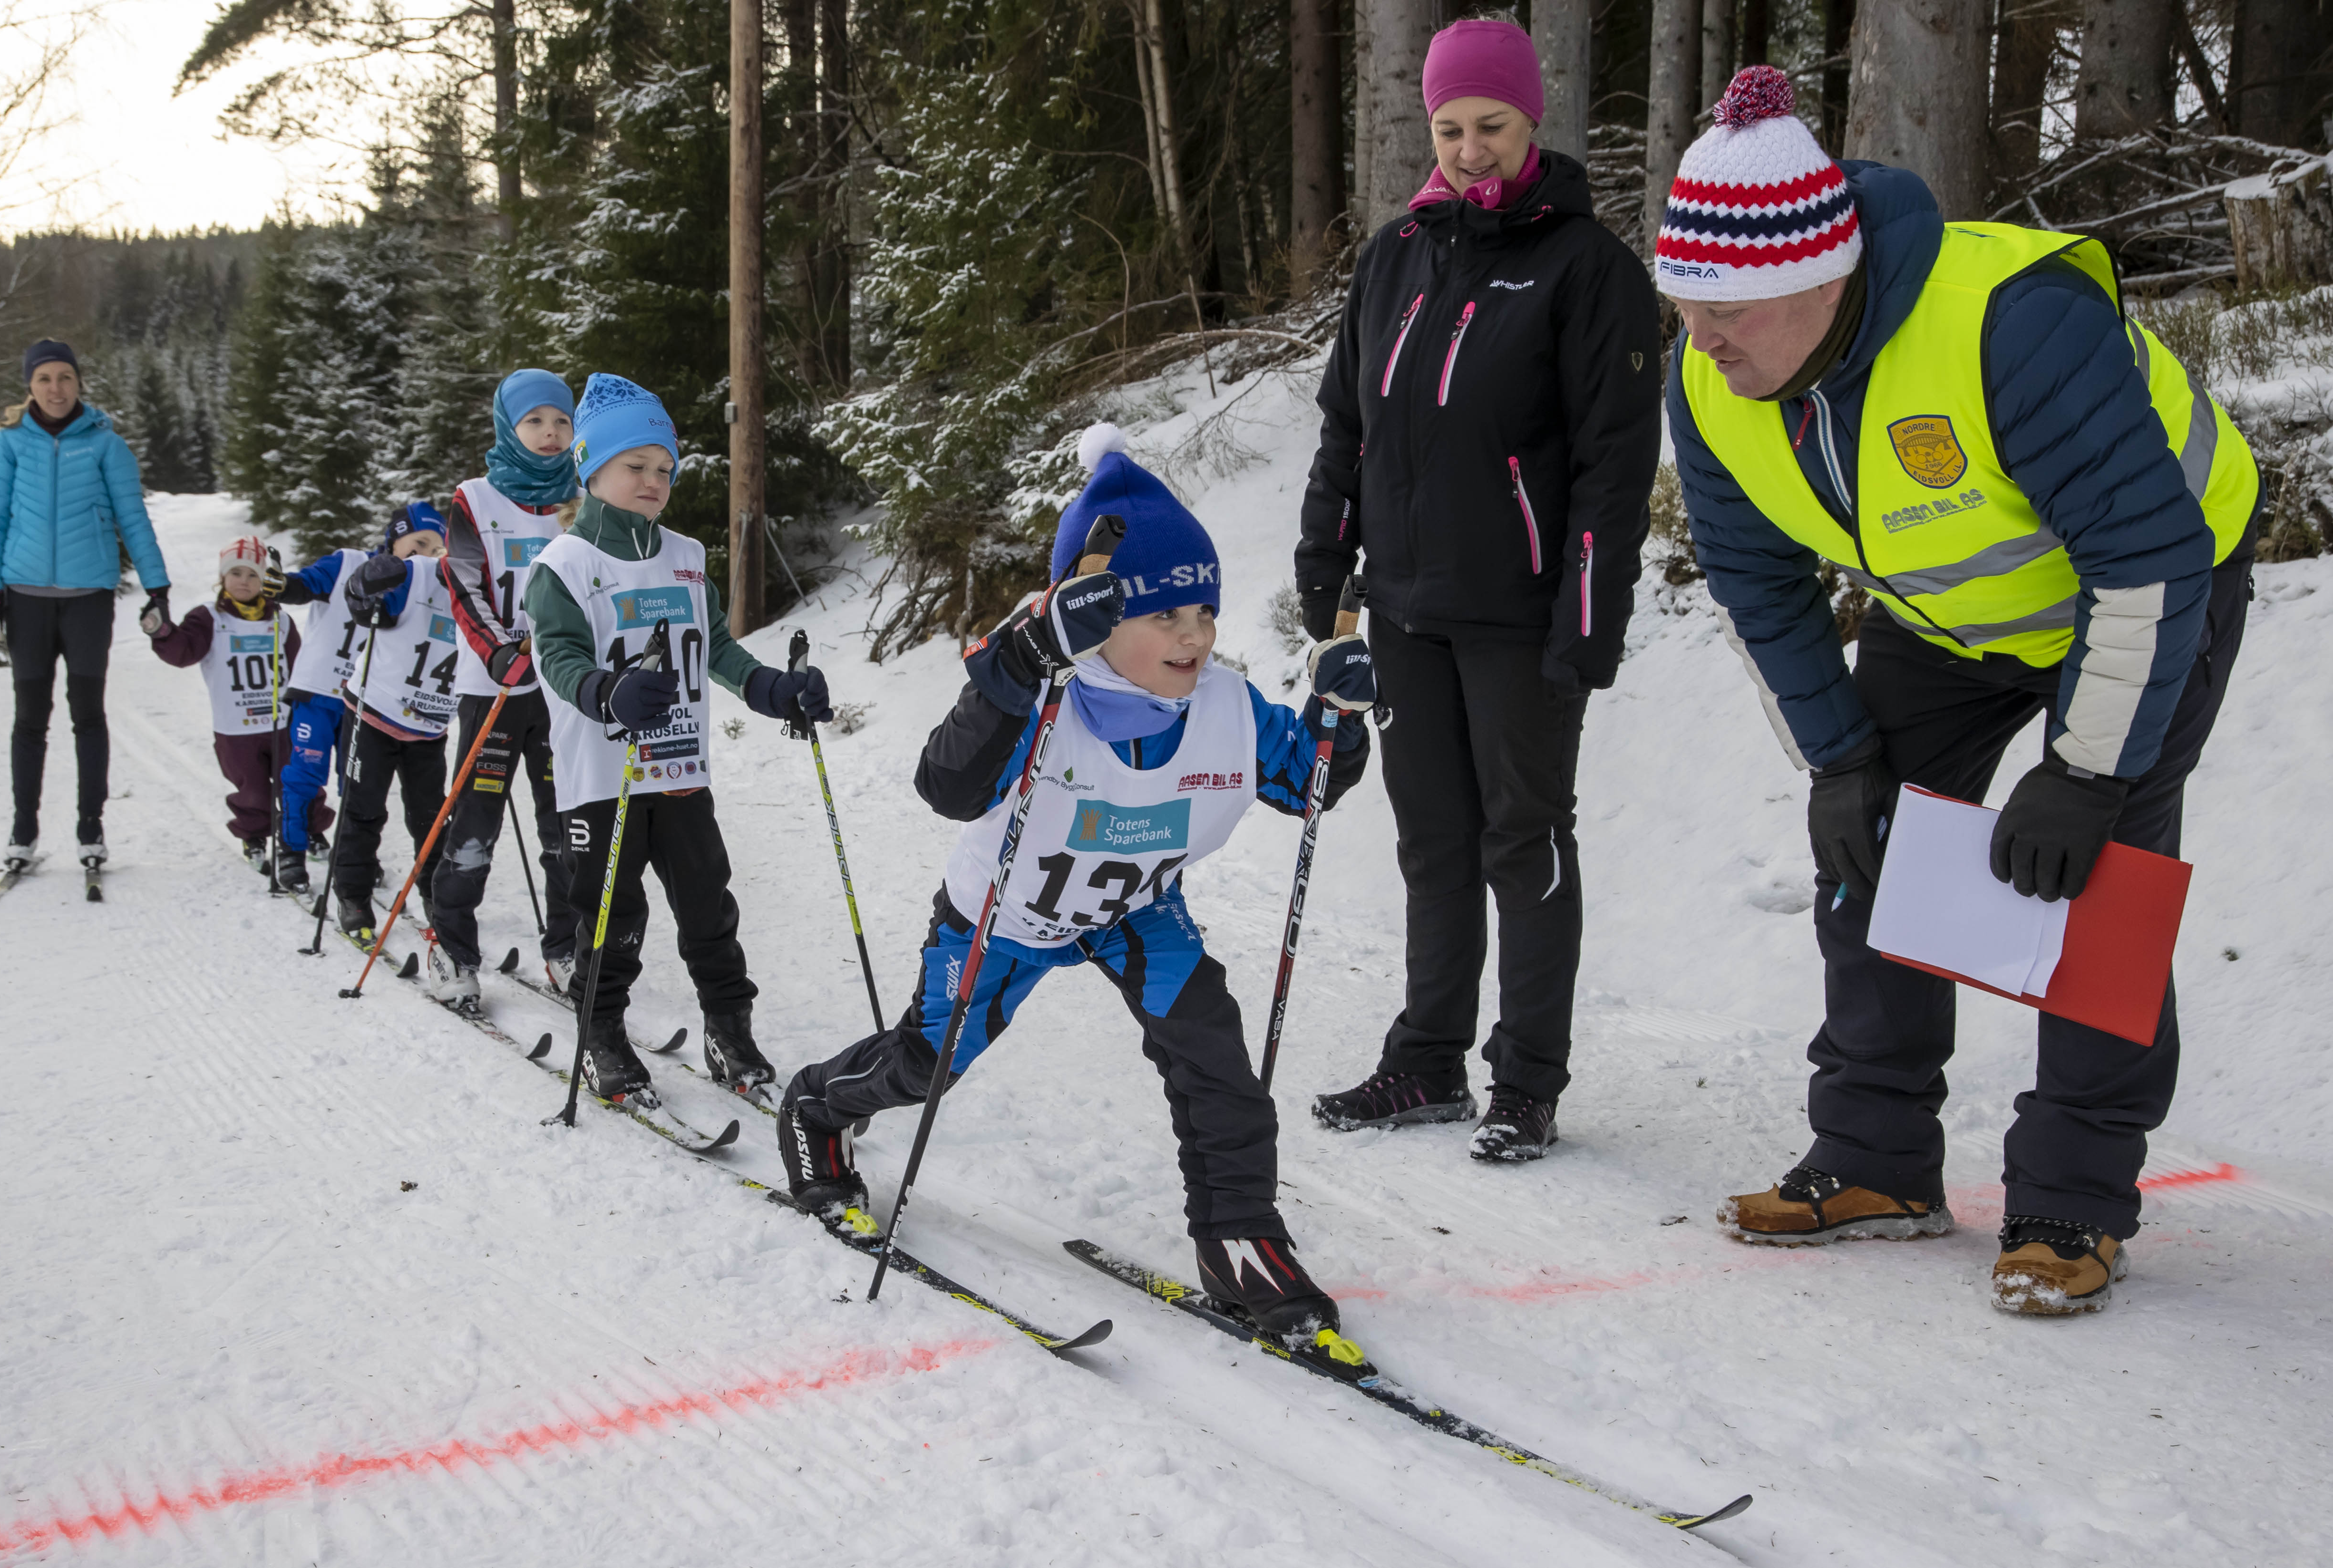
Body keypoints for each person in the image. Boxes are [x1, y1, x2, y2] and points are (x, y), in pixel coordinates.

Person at [1659, 69, 2258, 1315]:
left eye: (1725, 311)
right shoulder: (1713, 384)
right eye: (1685, 308)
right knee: (1871, 849)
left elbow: (2143, 560)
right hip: (1952, 614)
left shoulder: (2010, 320)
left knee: (2097, 894)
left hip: (2158, 579)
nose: (1700, 343)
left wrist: (2084, 775)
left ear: (1819, 281)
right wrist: (1840, 761)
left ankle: (2072, 1203)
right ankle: (1877, 1158)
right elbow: (1763, 595)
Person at [779, 425, 1381, 1358]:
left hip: (1135, 910)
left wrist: (1338, 715)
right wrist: (1017, 662)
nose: (1194, 639)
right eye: (1165, 618)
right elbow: (948, 785)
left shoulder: (1224, 705)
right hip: (1005, 916)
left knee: (1213, 1053)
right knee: (926, 1061)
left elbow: (1308, 782)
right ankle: (818, 1109)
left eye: (1204, 615)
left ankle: (1239, 1236)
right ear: (1097, 624)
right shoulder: (1043, 696)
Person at [1296, 17, 1659, 1160]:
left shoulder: (1585, 269)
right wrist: (1327, 556)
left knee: (1524, 841)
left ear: (1530, 122)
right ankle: (1425, 1062)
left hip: (1520, 615)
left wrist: (1591, 613)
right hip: (1405, 607)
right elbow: (1350, 422)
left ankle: (1527, 1080)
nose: (1467, 149)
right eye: (1449, 128)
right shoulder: (1398, 256)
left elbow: (1614, 463)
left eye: (1489, 126)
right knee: (1432, 843)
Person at [524, 373, 831, 1103]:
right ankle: (601, 1034)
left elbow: (718, 649)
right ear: (592, 468)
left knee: (708, 907)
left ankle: (730, 1030)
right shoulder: (563, 566)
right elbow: (560, 659)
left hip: (681, 770)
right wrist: (609, 692)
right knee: (611, 914)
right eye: (637, 465)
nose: (654, 480)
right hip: (602, 779)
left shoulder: (688, 555)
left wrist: (774, 690)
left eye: (665, 468)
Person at [0, 339, 172, 871]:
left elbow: (134, 520)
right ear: (29, 386)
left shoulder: (106, 444)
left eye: (64, 377)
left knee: (88, 716)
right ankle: (23, 831)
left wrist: (158, 589)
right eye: (44, 379)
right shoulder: (9, 443)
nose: (55, 389)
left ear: (79, 382)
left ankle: (91, 828)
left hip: (88, 599)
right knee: (29, 719)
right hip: (25, 600)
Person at [428, 369, 585, 1009]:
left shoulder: (584, 499)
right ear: (509, 428)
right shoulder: (475, 498)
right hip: (492, 690)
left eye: (561, 423)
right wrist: (498, 651)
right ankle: (453, 948)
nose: (550, 434)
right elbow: (464, 582)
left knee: (566, 829)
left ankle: (564, 947)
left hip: (560, 694)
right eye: (535, 422)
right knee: (473, 829)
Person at [145, 536, 323, 867]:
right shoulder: (209, 618)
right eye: (237, 573)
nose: (245, 581)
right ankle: (254, 836)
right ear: (223, 578)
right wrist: (163, 632)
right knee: (252, 790)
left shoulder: (280, 619)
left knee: (299, 780)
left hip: (282, 721)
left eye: (253, 575)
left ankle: (311, 830)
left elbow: (299, 665)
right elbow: (184, 651)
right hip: (236, 726)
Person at [331, 503, 463, 948]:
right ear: (395, 545)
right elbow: (366, 603)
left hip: (429, 729)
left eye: (438, 545)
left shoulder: (467, 588)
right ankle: (353, 894)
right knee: (363, 809)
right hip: (374, 715)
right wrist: (369, 582)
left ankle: (434, 894)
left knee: (432, 818)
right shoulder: (403, 578)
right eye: (418, 545)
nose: (429, 553)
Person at [271, 543, 376, 891]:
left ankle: (354, 855)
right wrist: (282, 585)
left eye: (430, 545)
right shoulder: (350, 562)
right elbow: (307, 585)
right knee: (304, 774)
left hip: (364, 700)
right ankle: (291, 851)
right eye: (417, 542)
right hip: (317, 690)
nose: (421, 552)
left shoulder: (417, 583)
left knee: (356, 783)